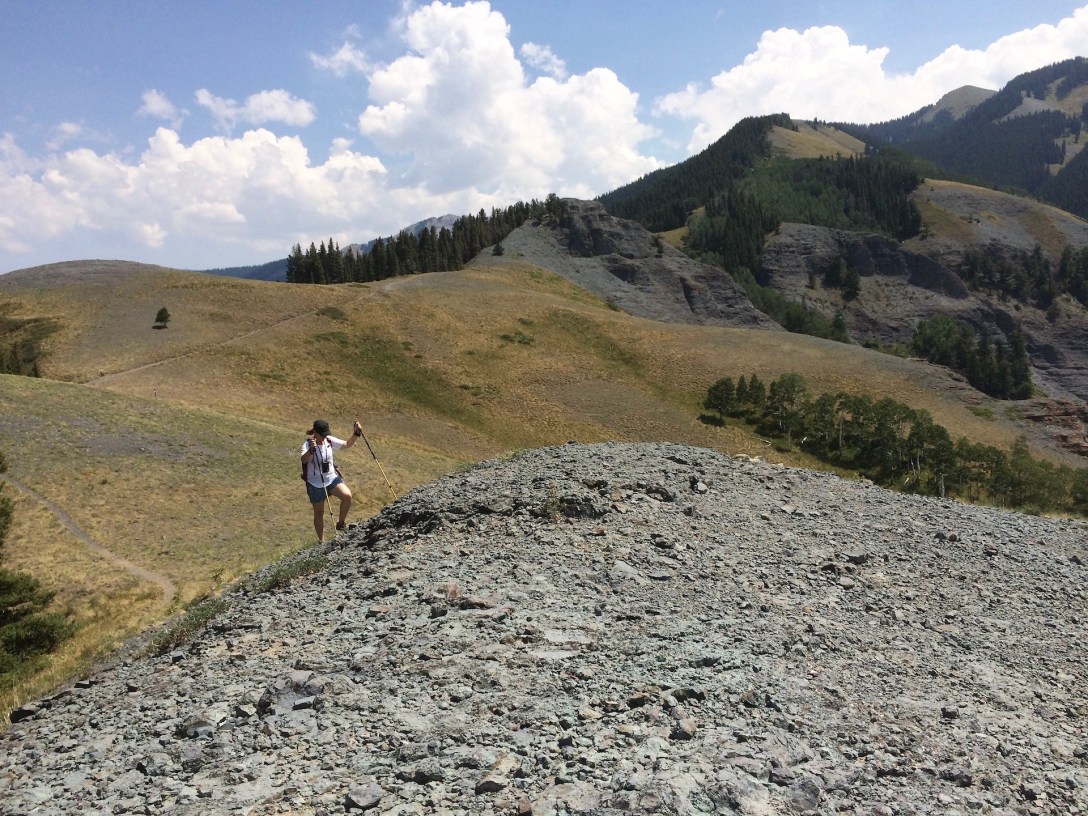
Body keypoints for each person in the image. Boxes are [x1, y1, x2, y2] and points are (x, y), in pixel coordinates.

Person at [301, 418, 363, 541]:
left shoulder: (329, 440)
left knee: (347, 496)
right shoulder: (307, 444)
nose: (324, 437)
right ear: (316, 433)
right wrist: (311, 451)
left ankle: (341, 524)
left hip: (331, 477)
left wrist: (356, 433)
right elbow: (303, 460)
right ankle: (322, 541)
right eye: (322, 435)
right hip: (315, 483)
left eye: (326, 434)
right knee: (319, 512)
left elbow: (346, 444)